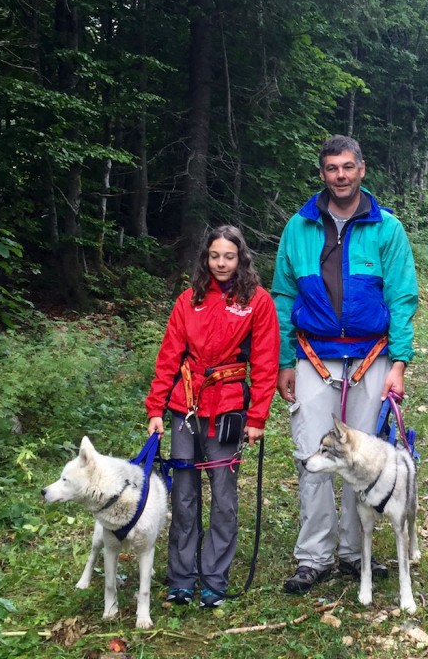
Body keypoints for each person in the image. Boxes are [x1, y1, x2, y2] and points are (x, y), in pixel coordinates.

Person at [273, 134, 419, 594]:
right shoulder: (299, 226)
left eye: (347, 167)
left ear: (362, 168)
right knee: (310, 458)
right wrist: (283, 361)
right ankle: (314, 555)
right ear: (323, 174)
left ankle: (358, 554)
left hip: (370, 357)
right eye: (332, 168)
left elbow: (401, 296)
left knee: (366, 460)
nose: (340, 175)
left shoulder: (387, 229)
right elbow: (283, 295)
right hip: (313, 357)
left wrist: (399, 362)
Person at [144, 225, 279, 609]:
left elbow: (266, 362)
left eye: (229, 256)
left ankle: (215, 578)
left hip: (228, 408)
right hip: (185, 407)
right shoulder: (189, 300)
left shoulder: (258, 302)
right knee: (184, 496)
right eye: (215, 256)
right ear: (206, 258)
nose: (221, 263)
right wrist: (156, 407)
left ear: (242, 259)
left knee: (223, 496)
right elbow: (169, 355)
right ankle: (182, 577)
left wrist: (257, 417)